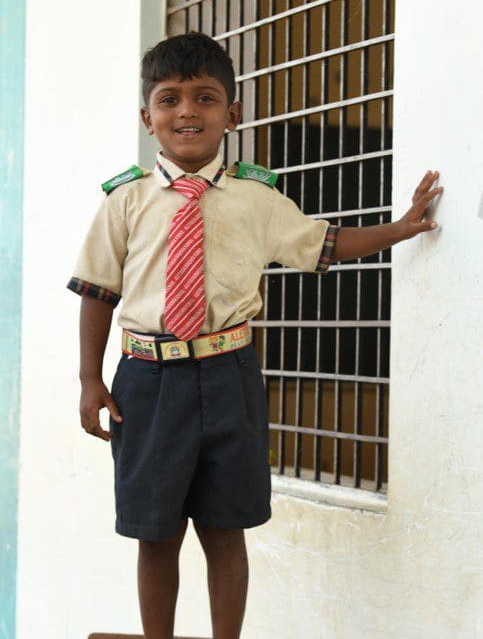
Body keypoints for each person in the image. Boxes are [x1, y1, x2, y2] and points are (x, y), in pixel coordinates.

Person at [67, 31, 444, 639]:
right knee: (156, 532)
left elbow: (326, 244)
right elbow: (96, 292)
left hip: (228, 376)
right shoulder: (125, 202)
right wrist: (90, 379)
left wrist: (400, 228)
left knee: (225, 526)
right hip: (147, 380)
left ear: (231, 114)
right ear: (147, 117)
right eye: (169, 100)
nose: (187, 112)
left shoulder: (257, 198)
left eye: (205, 98)